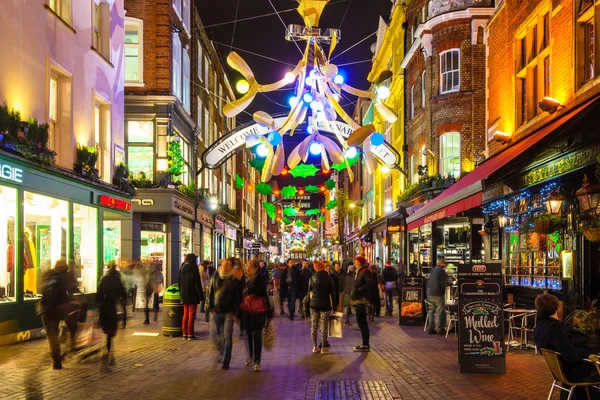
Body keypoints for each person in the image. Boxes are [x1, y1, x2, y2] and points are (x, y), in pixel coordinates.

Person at [534, 294, 599, 398]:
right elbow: (572, 356)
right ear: (557, 307)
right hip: (574, 371)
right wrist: (589, 352)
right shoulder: (555, 328)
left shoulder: (539, 327)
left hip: (562, 370)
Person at [37, 259, 81, 369]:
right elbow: (65, 293)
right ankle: (64, 351)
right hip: (58, 310)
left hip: (46, 309)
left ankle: (56, 360)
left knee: (52, 336)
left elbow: (41, 290)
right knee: (68, 326)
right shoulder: (61, 278)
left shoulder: (46, 275)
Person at [208, 259, 242, 370]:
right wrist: (210, 307)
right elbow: (210, 293)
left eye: (228, 265)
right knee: (215, 335)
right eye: (224, 265)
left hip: (229, 312)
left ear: (231, 267)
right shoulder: (214, 278)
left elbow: (238, 299)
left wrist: (236, 313)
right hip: (216, 311)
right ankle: (222, 353)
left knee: (227, 336)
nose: (225, 267)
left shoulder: (235, 281)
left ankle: (226, 361)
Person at [239, 260, 272, 372]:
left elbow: (264, 296)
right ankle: (251, 356)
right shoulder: (243, 279)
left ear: (255, 268)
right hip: (246, 312)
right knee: (248, 335)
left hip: (257, 312)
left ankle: (257, 361)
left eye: (249, 266)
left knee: (256, 335)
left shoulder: (259, 280)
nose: (246, 268)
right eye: (246, 266)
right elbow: (239, 298)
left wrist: (269, 314)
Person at [96, 262, 127, 372]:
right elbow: (123, 294)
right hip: (111, 310)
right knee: (110, 335)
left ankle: (109, 358)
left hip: (103, 309)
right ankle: (106, 361)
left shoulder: (104, 280)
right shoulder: (116, 280)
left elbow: (98, 295)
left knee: (107, 334)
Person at [308, 261, 338, 354]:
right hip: (325, 305)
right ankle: (323, 347)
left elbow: (309, 292)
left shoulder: (312, 278)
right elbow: (333, 293)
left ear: (316, 268)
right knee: (324, 326)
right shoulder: (329, 279)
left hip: (314, 305)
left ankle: (315, 346)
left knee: (314, 325)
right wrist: (335, 307)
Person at [350, 255, 374, 352]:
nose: (354, 263)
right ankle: (365, 343)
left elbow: (369, 283)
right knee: (360, 322)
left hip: (361, 300)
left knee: (362, 322)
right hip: (358, 299)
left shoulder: (365, 271)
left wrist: (359, 290)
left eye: (356, 262)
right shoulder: (359, 271)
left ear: (359, 262)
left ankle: (365, 344)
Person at [179, 254, 203, 340]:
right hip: (192, 293)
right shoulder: (193, 268)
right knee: (191, 314)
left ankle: (184, 333)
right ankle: (190, 333)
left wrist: (181, 293)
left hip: (184, 293)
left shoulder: (182, 267)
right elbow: (197, 283)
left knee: (185, 313)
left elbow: (179, 281)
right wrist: (201, 296)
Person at [426, 256, 448, 334]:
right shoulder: (441, 271)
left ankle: (431, 328)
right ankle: (440, 328)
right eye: (445, 264)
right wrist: (443, 292)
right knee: (441, 311)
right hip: (438, 293)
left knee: (431, 310)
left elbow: (428, 280)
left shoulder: (433, 270)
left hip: (430, 293)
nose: (446, 265)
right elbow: (442, 283)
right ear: (443, 264)